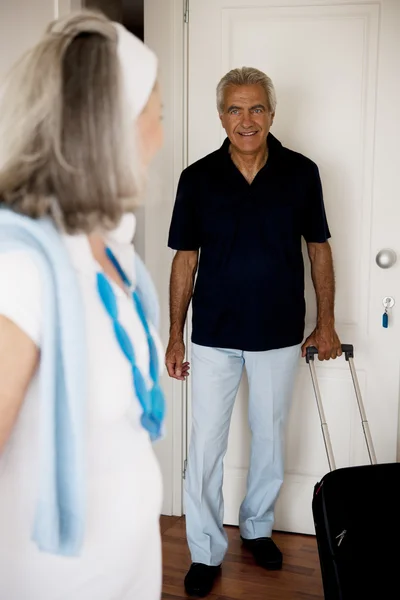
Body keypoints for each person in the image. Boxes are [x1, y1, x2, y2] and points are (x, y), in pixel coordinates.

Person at [0, 10, 165, 600]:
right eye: (157, 115)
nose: (163, 137)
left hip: (130, 575)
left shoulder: (114, 261)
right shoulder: (19, 271)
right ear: (110, 128)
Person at [166, 67, 341, 597]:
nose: (247, 120)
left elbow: (319, 248)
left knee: (269, 437)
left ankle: (259, 527)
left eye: (257, 108)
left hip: (280, 331)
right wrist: (175, 334)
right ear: (221, 116)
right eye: (236, 109)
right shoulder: (196, 178)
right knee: (206, 446)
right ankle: (203, 549)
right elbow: (184, 259)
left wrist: (326, 321)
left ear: (272, 113)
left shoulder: (302, 172)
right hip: (213, 333)